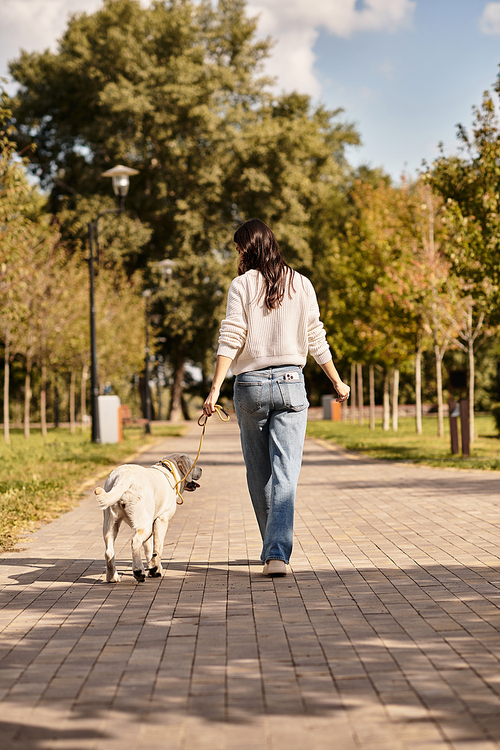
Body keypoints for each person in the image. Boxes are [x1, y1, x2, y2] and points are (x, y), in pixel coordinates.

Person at [203, 218, 350, 576]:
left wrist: (215, 387)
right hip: (290, 382)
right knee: (286, 474)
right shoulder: (301, 283)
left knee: (259, 474)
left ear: (248, 248)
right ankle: (276, 555)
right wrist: (337, 381)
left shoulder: (241, 285)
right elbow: (316, 336)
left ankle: (273, 549)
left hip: (249, 385)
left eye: (239, 248)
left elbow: (232, 336)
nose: (237, 254)